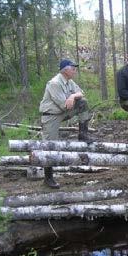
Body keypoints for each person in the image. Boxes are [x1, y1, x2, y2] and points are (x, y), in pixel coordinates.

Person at [39, 59, 94, 188]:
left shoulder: (69, 81)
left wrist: (73, 96)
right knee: (50, 145)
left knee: (83, 102)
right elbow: (63, 105)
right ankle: (48, 178)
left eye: (75, 68)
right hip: (51, 116)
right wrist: (72, 98)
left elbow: (81, 93)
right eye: (73, 68)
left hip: (63, 111)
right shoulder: (54, 83)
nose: (75, 70)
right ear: (65, 70)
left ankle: (83, 134)